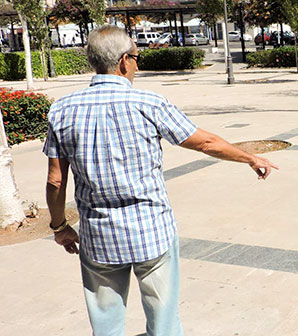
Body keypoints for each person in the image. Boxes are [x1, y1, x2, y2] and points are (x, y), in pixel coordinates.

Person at [44, 25, 278, 336]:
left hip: (99, 237)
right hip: (151, 231)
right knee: (164, 320)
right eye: (137, 59)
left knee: (106, 323)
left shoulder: (62, 110)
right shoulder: (149, 104)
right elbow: (205, 142)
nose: (137, 66)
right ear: (124, 61)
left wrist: (59, 227)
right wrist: (249, 157)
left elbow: (56, 181)